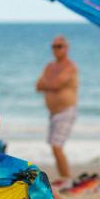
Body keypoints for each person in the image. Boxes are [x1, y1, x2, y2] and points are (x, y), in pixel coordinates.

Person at [35, 35, 78, 185]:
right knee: (54, 146)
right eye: (53, 46)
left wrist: (50, 83)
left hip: (66, 111)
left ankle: (67, 178)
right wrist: (50, 83)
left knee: (56, 145)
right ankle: (63, 177)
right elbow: (38, 85)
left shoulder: (70, 67)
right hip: (53, 113)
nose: (56, 49)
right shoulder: (50, 66)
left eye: (59, 46)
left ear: (66, 48)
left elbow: (56, 84)